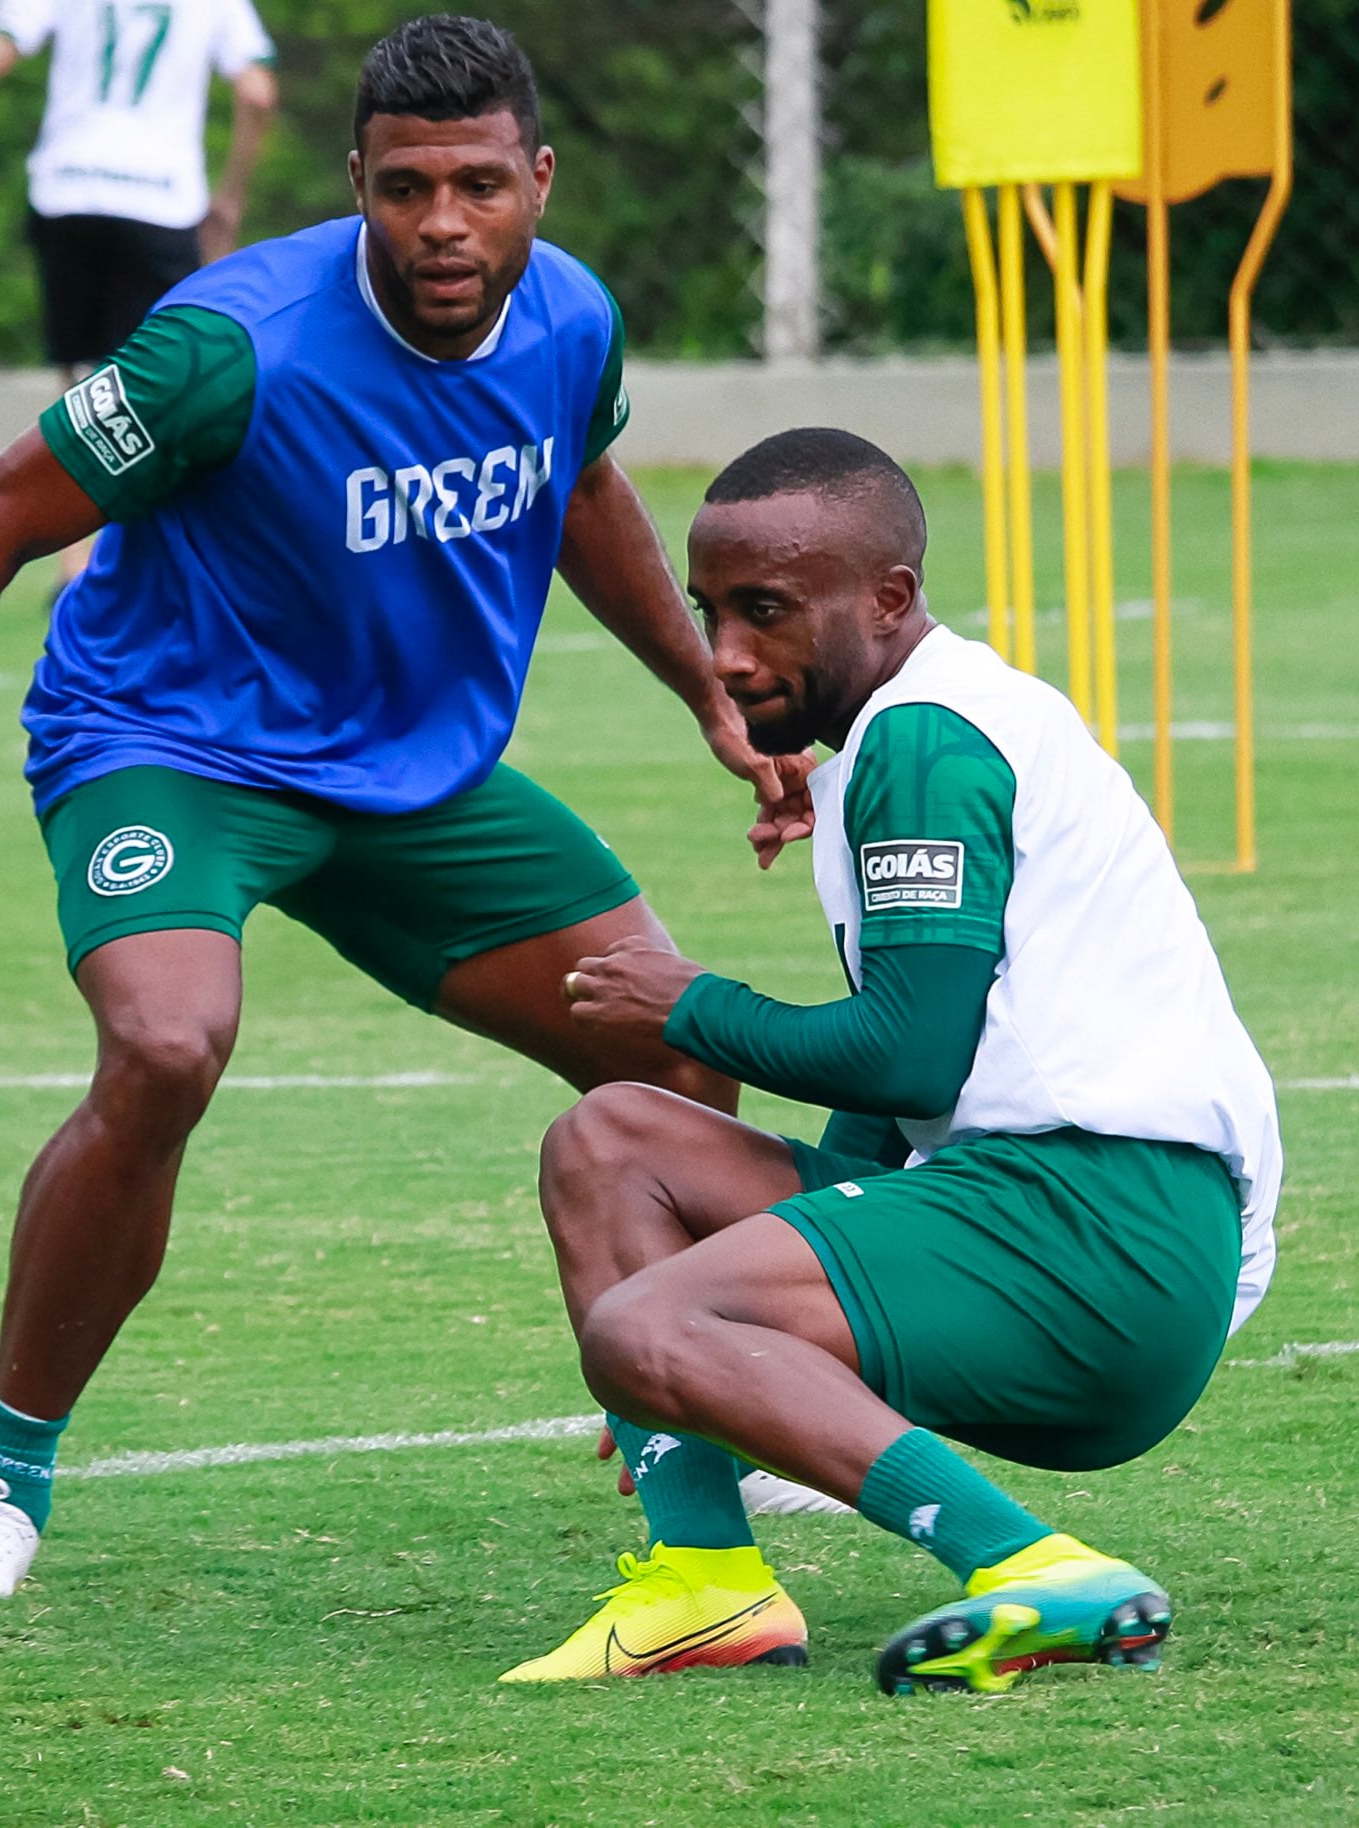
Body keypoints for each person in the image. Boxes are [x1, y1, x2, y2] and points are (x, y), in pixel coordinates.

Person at [0, 17, 810, 1603]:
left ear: (538, 183)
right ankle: (3, 1481)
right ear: (353, 179)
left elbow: (582, 490)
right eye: (407, 185)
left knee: (685, 1048)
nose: (443, 223)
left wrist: (705, 689)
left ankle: (682, 1430)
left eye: (480, 186)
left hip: (414, 779)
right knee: (164, 1043)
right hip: (170, 747)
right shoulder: (230, 344)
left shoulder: (572, 324)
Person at [502, 427, 1282, 1692]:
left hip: (1098, 1231)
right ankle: (704, 1582)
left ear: (888, 598)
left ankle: (1028, 1565)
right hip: (1048, 1210)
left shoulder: (925, 744)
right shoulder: (908, 730)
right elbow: (902, 1093)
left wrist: (691, 1003)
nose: (727, 653)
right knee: (610, 1143)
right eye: (711, 613)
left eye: (766, 611)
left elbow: (913, 1056)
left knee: (648, 1317)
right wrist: (714, 1344)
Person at [0, 0, 280, 583]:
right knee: (162, 378)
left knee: (80, 379)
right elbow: (258, 91)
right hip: (161, 197)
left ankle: (74, 562)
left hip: (70, 187)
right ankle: (145, 553)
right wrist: (230, 197)